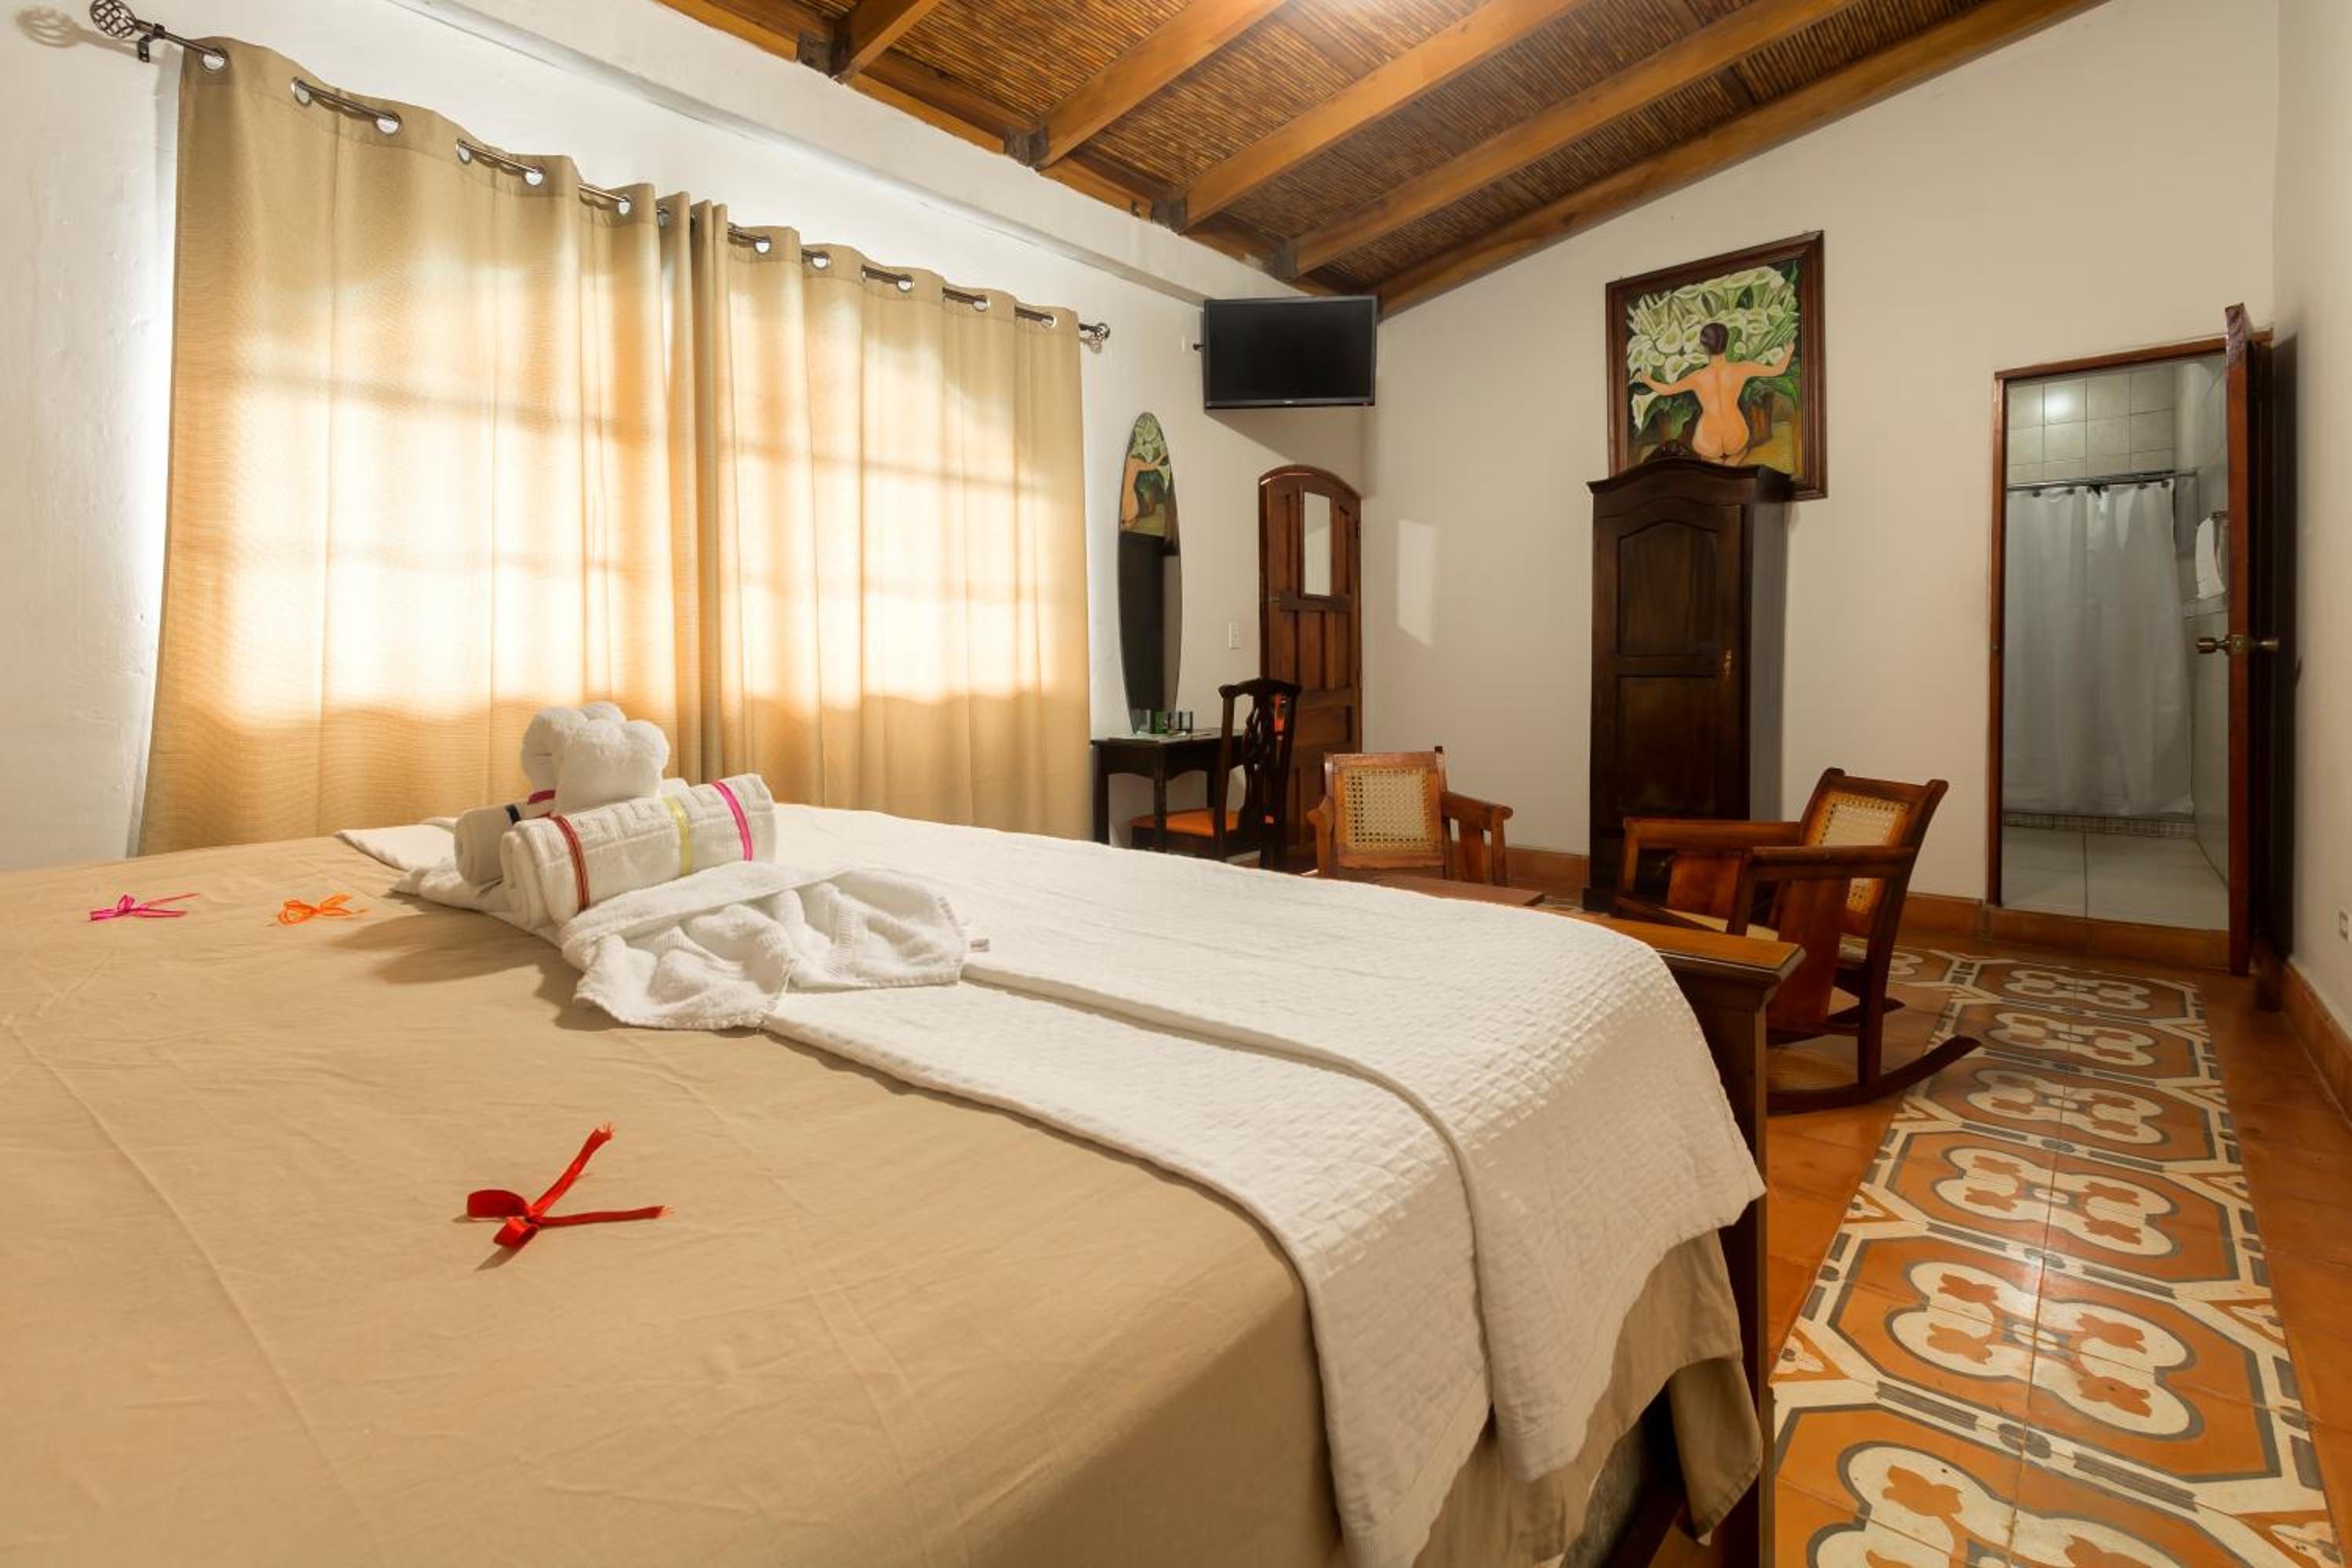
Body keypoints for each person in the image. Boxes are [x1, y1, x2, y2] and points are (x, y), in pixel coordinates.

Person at [1632, 321, 1793, 465]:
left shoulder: (1698, 377)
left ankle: (1716, 465)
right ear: (1727, 343)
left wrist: (1646, 379)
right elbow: (1777, 370)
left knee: (1709, 459)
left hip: (1708, 440)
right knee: (1740, 451)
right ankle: (1732, 463)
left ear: (1705, 347)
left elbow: (1666, 390)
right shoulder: (1742, 368)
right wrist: (1788, 352)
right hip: (1736, 435)